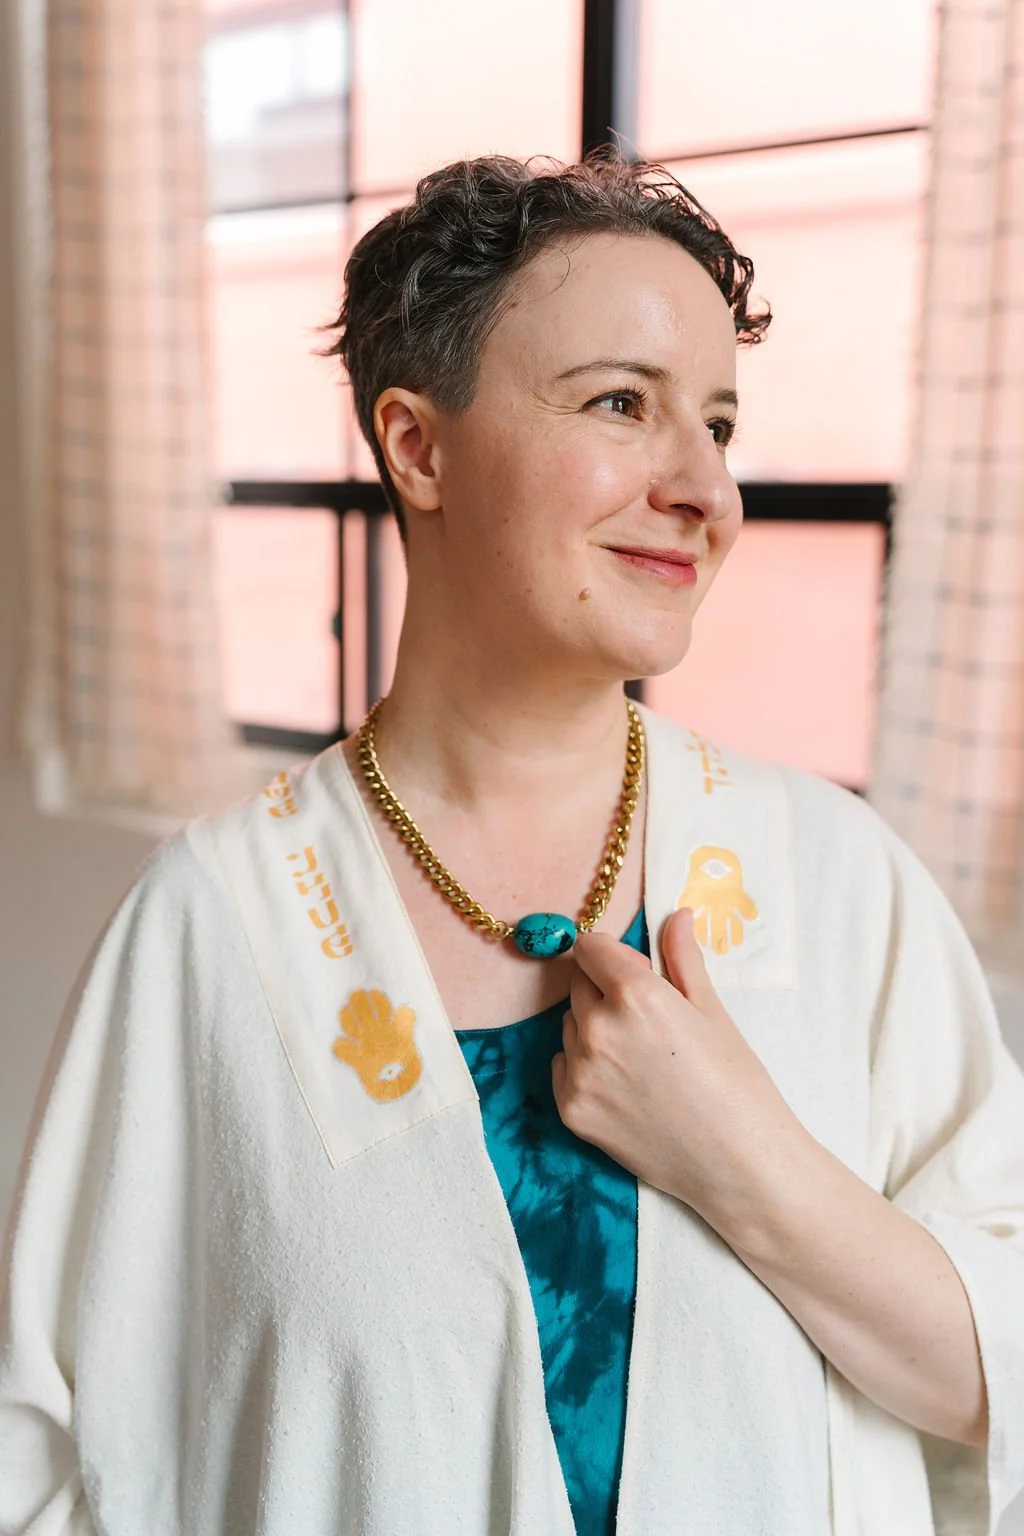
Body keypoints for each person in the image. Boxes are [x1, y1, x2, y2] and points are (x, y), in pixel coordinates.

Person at [2, 148, 1023, 1536]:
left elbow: (995, 1375)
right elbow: (50, 1452)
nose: (707, 490)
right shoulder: (215, 925)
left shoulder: (842, 886)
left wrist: (741, 1157)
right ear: (417, 447)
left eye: (719, 424)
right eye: (622, 403)